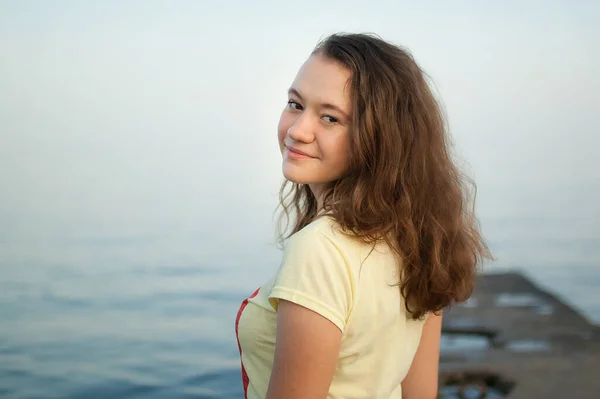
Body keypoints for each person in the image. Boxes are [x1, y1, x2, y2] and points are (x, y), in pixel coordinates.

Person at [235, 32, 491, 399]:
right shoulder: (418, 237)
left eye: (330, 118)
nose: (297, 130)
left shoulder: (320, 250)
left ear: (378, 137)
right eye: (295, 103)